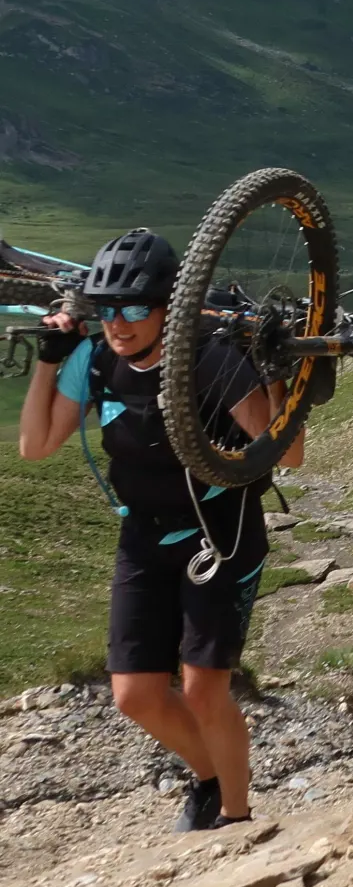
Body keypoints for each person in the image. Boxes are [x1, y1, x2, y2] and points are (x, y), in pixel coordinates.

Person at [17, 229, 304, 831]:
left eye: (133, 309)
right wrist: (47, 362)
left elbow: (289, 453)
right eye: (107, 310)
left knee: (203, 689)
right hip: (142, 539)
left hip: (219, 535)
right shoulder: (94, 360)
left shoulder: (211, 358)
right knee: (135, 695)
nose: (118, 324)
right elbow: (37, 445)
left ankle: (236, 818)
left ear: (167, 307)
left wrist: (275, 373)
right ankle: (207, 779)